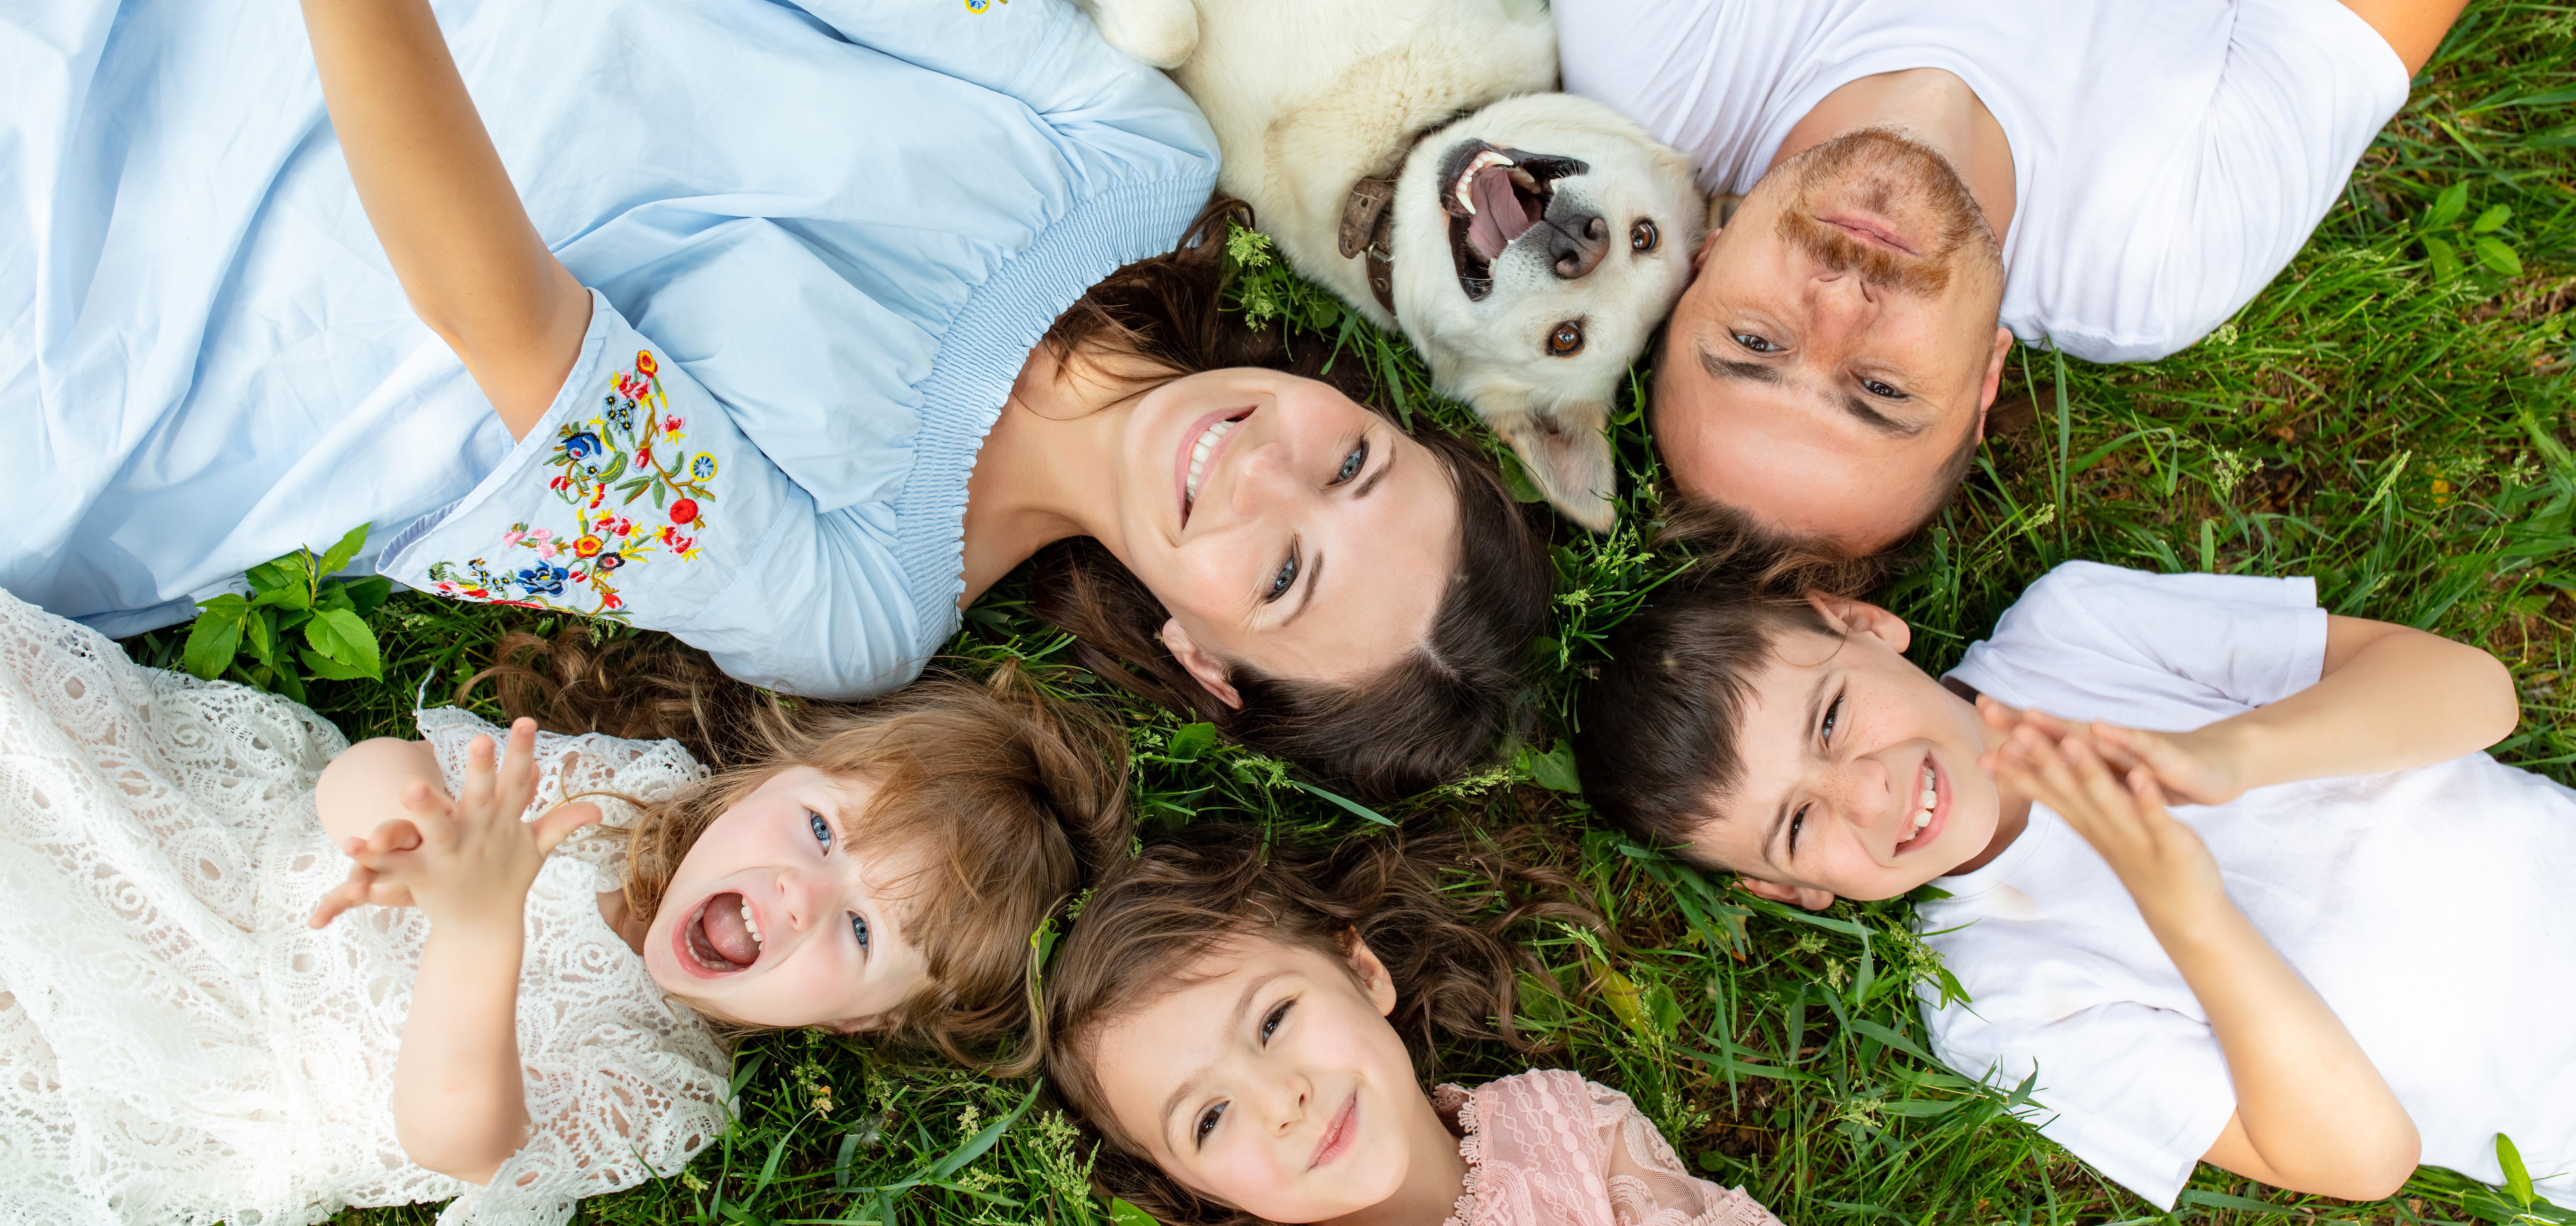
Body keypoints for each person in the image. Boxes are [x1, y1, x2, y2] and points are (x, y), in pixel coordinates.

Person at [3, 0, 1550, 801]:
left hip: (158, 322)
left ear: (1203, 658)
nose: (1262, 475)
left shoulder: (861, 599)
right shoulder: (1134, 158)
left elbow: (497, 315)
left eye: (1282, 573)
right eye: (1350, 463)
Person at [0, 587, 1128, 1224]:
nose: (798, 891)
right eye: (822, 830)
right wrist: (390, 813)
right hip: (196, 846)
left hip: (212, 1072)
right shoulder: (617, 795)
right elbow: (349, 773)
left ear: (863, 1022)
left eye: (864, 929)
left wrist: (480, 926)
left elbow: (455, 1141)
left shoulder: (661, 1084)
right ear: (767, 777)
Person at [1572, 561, 2576, 1209]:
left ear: (1863, 623)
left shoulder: (2076, 629)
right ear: (1789, 892)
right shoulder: (1993, 1009)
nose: (1868, 795)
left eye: (1831, 720)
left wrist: (2236, 755)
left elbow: (2479, 694)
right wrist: (2191, 915)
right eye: (1798, 824)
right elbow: (2364, 1160)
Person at [1555, 0, 2465, 556]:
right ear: (1986, 377)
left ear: (1701, 258)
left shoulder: (1661, 78)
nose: (1840, 299)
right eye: (1878, 387)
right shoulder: (2152, 260)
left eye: (1755, 344)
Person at [1041, 821, 1787, 1226]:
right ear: (1188, 1189)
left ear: (1363, 972)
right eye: (1207, 1119)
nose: (1282, 1100)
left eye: (1271, 1021)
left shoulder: (1564, 1128)